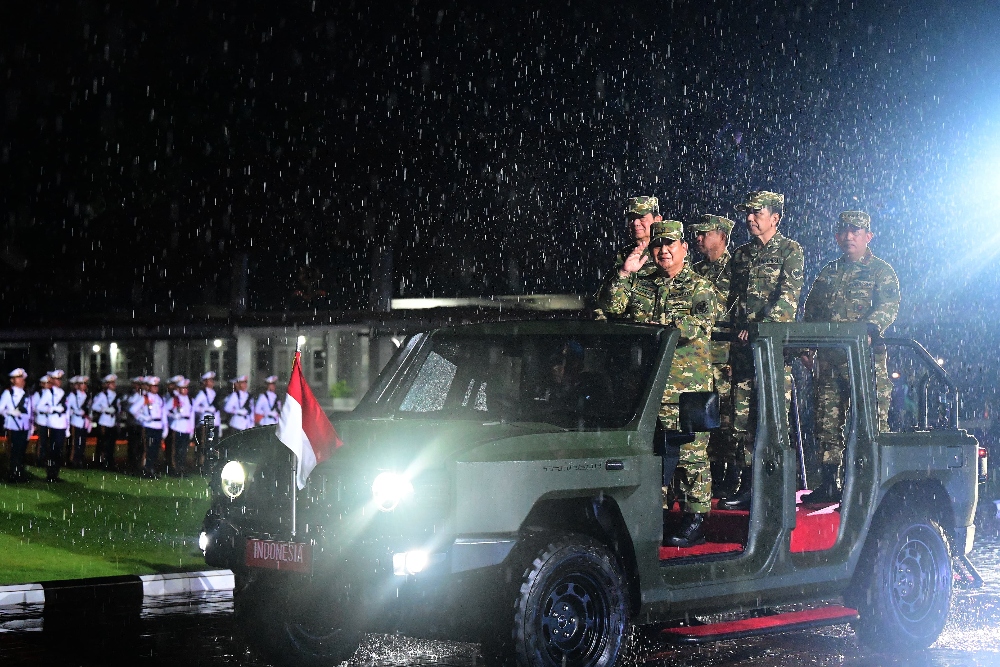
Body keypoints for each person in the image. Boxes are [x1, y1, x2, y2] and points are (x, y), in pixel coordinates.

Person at [597, 220, 717, 547]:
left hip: (687, 389)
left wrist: (656, 325)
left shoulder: (699, 287)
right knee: (655, 457)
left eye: (670, 245)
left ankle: (696, 518)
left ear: (684, 248)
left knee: (692, 456)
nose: (663, 251)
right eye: (657, 246)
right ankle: (658, 515)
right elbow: (613, 308)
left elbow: (696, 325)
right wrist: (625, 273)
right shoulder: (644, 282)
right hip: (650, 390)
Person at [802, 210, 900, 502]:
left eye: (855, 231)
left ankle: (871, 487)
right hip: (830, 361)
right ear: (836, 236)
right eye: (843, 231)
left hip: (864, 361)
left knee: (871, 424)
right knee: (826, 423)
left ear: (868, 236)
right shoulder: (829, 272)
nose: (848, 237)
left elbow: (888, 306)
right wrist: (807, 346)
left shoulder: (881, 271)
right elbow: (812, 310)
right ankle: (829, 483)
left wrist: (871, 328)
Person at [721, 191, 804, 510]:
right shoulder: (741, 255)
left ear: (775, 218)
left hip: (771, 354)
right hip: (743, 353)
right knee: (742, 419)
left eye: (757, 212)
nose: (750, 218)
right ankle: (748, 483)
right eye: (748, 213)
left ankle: (773, 486)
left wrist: (760, 327)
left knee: (771, 420)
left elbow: (788, 300)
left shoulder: (790, 251)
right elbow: (728, 299)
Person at [689, 214, 739, 497]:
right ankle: (711, 476)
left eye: (704, 233)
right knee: (702, 417)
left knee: (727, 419)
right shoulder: (695, 272)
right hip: (700, 357)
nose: (698, 239)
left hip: (725, 356)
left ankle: (731, 476)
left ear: (721, 236)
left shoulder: (736, 270)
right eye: (696, 234)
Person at [594, 196, 662, 319]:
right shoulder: (622, 256)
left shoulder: (667, 255)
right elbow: (606, 302)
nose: (635, 223)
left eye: (642, 217)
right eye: (631, 219)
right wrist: (624, 273)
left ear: (657, 220)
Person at [36, 369, 69, 482]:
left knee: (58, 451)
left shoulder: (62, 392)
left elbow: (66, 411)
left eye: (60, 379)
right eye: (57, 379)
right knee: (53, 450)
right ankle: (50, 474)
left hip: (62, 424)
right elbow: (39, 407)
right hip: (53, 423)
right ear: (52, 380)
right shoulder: (48, 392)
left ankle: (55, 473)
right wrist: (52, 409)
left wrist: (67, 427)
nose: (59, 381)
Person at [1, 369, 33, 482]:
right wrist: (10, 412)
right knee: (15, 451)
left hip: (24, 426)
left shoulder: (26, 393)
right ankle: (13, 474)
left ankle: (20, 472)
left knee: (21, 451)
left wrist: (31, 427)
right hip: (13, 426)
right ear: (13, 380)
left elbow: (30, 412)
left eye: (22, 378)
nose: (22, 380)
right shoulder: (8, 393)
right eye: (19, 378)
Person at [130, 376, 165, 478]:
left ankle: (151, 469)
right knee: (148, 449)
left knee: (155, 450)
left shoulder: (159, 398)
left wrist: (164, 427)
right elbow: (133, 410)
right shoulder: (144, 398)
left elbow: (162, 414)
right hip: (148, 426)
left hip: (158, 426)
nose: (155, 388)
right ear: (149, 387)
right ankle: (145, 469)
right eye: (153, 386)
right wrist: (143, 418)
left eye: (156, 386)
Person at [192, 371, 222, 473]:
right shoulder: (202, 393)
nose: (212, 382)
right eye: (209, 380)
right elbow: (194, 407)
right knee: (204, 444)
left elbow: (217, 409)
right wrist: (205, 409)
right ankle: (201, 465)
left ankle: (209, 466)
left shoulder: (214, 393)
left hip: (214, 421)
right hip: (205, 421)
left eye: (212, 380)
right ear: (204, 382)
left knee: (213, 444)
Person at [165, 377, 195, 476]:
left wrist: (191, 429)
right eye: (183, 388)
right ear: (178, 389)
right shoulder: (175, 399)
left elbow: (192, 415)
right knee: (176, 449)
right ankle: (174, 468)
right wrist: (174, 415)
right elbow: (165, 410)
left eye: (186, 388)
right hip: (177, 426)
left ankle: (181, 467)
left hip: (186, 427)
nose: (185, 390)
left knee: (184, 449)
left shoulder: (190, 399)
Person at [90, 374, 120, 470]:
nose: (114, 385)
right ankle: (101, 461)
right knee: (103, 442)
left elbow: (118, 408)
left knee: (111, 443)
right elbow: (94, 406)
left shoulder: (116, 395)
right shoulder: (102, 395)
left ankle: (109, 461)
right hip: (104, 421)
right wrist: (105, 409)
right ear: (107, 384)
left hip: (113, 421)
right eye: (111, 383)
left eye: (114, 383)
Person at [66, 375, 91, 467]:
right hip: (75, 421)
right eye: (82, 384)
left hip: (84, 422)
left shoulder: (87, 396)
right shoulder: (73, 395)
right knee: (74, 442)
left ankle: (80, 459)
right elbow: (68, 408)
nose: (84, 386)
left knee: (82, 442)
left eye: (85, 384)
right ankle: (72, 460)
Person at [126, 377, 146, 474]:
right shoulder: (132, 396)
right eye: (138, 384)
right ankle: (133, 465)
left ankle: (140, 465)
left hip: (143, 424)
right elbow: (130, 410)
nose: (140, 386)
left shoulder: (145, 396)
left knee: (142, 446)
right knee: (134, 446)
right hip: (134, 424)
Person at [30, 375, 50, 466]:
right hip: (41, 419)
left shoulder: (51, 393)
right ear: (42, 384)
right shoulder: (38, 394)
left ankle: (45, 458)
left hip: (50, 420)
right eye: (46, 383)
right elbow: (34, 407)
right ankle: (39, 458)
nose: (48, 385)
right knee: (42, 440)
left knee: (48, 441)